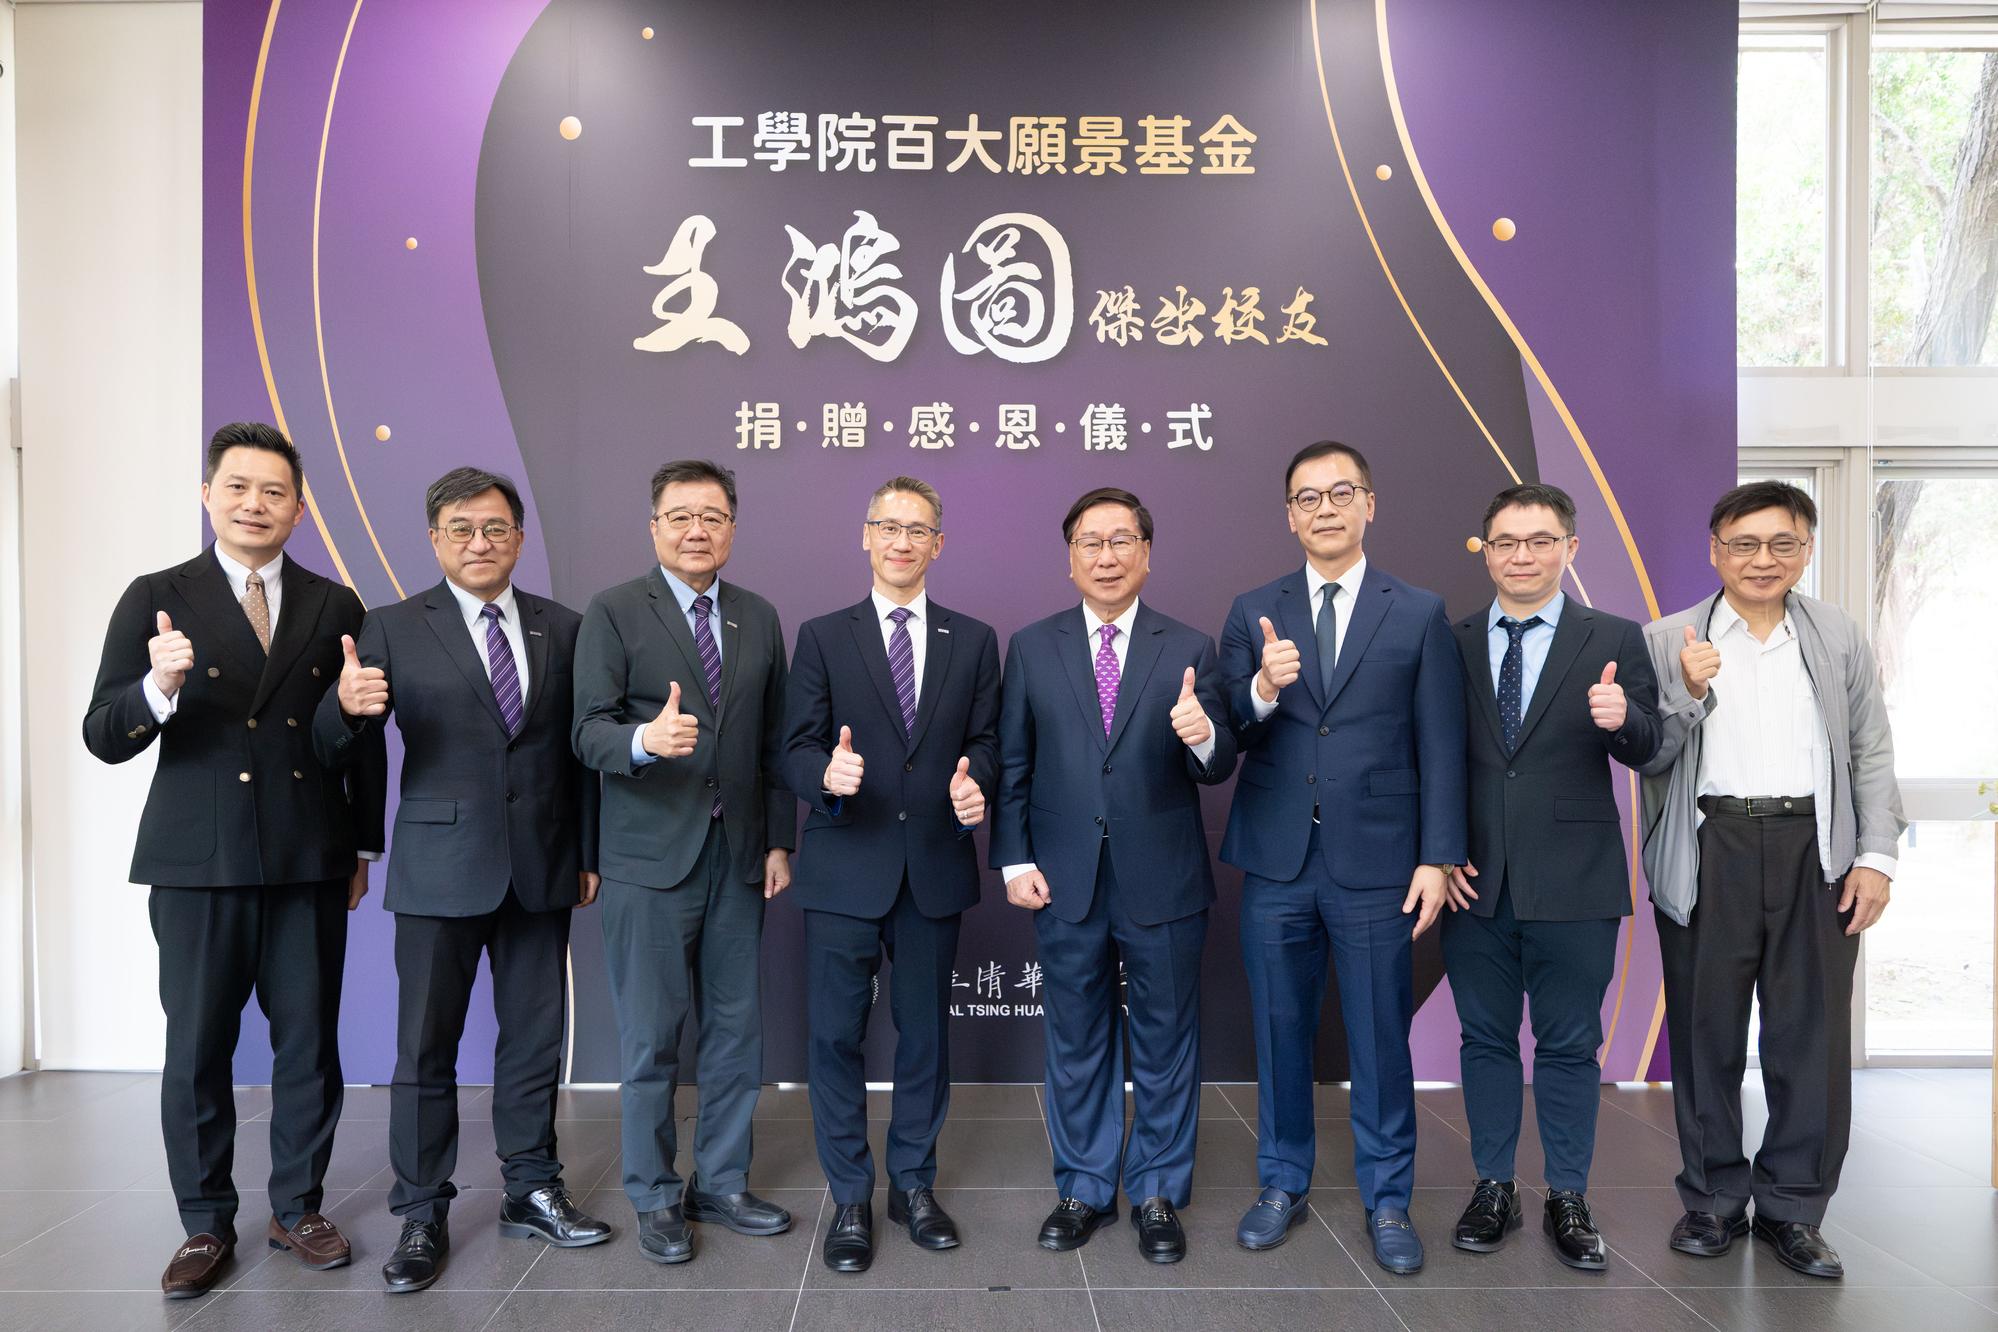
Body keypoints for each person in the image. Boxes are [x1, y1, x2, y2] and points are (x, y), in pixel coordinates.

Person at [82, 422, 384, 1299]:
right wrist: (158, 688)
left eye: (276, 492)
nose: (257, 504)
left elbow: (353, 741)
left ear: (300, 506)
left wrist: (363, 841)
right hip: (196, 861)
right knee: (198, 1048)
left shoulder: (334, 605)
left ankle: (298, 1206)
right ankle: (205, 1221)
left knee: (308, 1045)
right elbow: (104, 735)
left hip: (305, 853)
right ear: (208, 493)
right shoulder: (157, 596)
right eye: (240, 487)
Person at [312, 466, 610, 1291]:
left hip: (543, 865)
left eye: (495, 528)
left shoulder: (566, 627)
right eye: (461, 529)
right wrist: (342, 709)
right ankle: (420, 1212)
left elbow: (580, 754)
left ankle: (532, 1187)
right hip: (441, 866)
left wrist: (587, 851)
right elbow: (344, 752)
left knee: (534, 1042)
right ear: (436, 539)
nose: (479, 543)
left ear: (519, 537)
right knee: (424, 1049)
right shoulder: (393, 627)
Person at [1638, 481, 1903, 1280]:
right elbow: (1644, 756)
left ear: (1805, 550)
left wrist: (1876, 857)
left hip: (1814, 850)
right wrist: (1686, 692)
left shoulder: (1838, 636)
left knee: (1809, 1038)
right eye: (1744, 544)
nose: (1762, 559)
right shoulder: (1665, 638)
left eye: (1781, 544)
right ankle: (1713, 1202)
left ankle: (1794, 1209)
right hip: (1710, 844)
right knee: (1703, 1034)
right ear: (1714, 550)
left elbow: (1871, 749)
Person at [1218, 440, 1465, 1274]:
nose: (1324, 509)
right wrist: (1262, 687)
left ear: (1369, 503)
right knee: (1281, 1031)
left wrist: (1438, 855)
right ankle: (1281, 1181)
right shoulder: (1255, 608)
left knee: (1378, 1038)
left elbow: (1441, 741)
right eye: (1306, 498)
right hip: (1279, 862)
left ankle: (1388, 1198)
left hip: (1379, 863)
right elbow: (1226, 735)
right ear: (1289, 514)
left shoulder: (1418, 610)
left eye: (1339, 493)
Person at [991, 486, 1236, 1265]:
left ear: (1147, 554)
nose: (1107, 555)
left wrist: (1203, 738)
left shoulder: (1192, 646)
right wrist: (1015, 857)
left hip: (1162, 877)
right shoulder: (1032, 646)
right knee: (1077, 1041)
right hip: (1063, 879)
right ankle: (1086, 1189)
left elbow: (1221, 757)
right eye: (1090, 542)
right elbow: (1016, 766)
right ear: (1070, 560)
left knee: (1166, 1041)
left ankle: (1158, 1190)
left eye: (1122, 540)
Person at [572, 459, 796, 1265]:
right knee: (651, 1039)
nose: (697, 529)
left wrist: (778, 838)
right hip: (647, 860)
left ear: (732, 528)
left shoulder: (759, 616)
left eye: (712, 516)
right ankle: (656, 1194)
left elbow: (774, 744)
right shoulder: (613, 611)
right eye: (680, 516)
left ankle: (723, 1181)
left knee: (737, 1033)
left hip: (738, 856)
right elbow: (586, 730)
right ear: (655, 527)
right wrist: (642, 740)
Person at [780, 476, 1000, 1273]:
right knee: (835, 1037)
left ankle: (913, 1184)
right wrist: (822, 776)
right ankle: (849, 1194)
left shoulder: (972, 640)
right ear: (865, 537)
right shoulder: (822, 636)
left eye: (918, 530)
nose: (902, 541)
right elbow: (795, 747)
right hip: (845, 867)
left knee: (924, 1038)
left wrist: (980, 780)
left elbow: (990, 739)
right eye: (887, 526)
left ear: (938, 543)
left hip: (934, 866)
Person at [1440, 483, 1661, 1272]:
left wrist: (1621, 721)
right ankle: (1493, 1186)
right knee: (1486, 1039)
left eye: (1539, 541)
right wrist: (1439, 851)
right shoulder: (1455, 640)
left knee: (1570, 1045)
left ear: (1571, 548)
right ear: (1486, 550)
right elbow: (1434, 756)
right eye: (1506, 541)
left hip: (1574, 880)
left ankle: (1568, 1194)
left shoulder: (1615, 636)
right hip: (1475, 881)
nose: (1522, 556)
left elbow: (1648, 745)